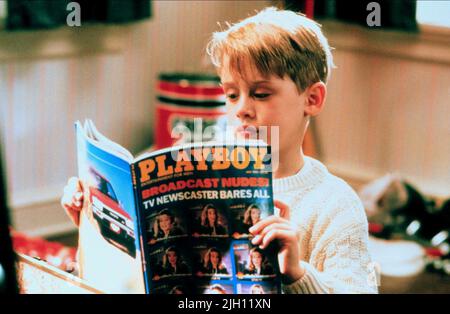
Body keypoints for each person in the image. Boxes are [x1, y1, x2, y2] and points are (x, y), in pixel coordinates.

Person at [61, 7, 377, 293]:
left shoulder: (336, 205)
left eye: (261, 94)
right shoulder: (198, 178)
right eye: (231, 95)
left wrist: (297, 274)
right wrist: (93, 222)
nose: (241, 109)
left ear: (312, 99)